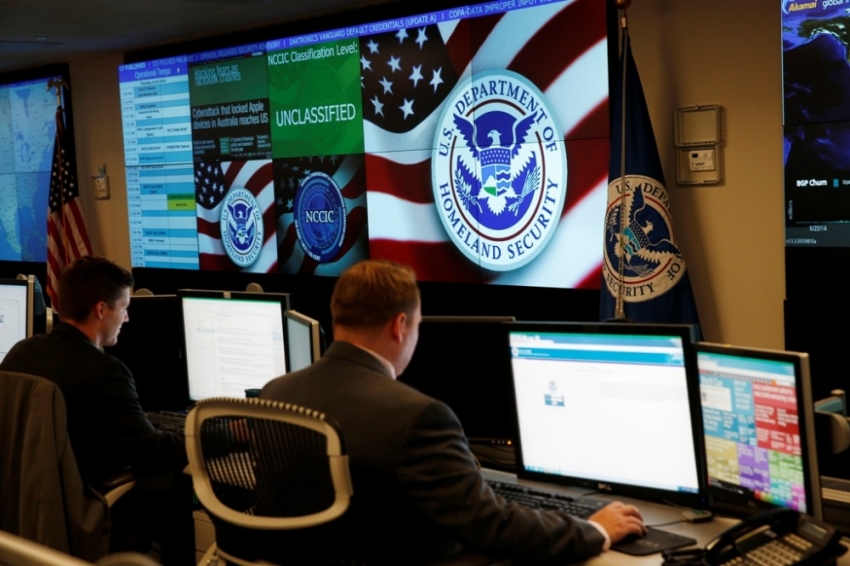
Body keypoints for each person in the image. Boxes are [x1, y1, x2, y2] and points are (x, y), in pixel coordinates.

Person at [261, 259, 647, 565]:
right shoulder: (418, 416)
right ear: (400, 326)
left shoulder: (275, 393)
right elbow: (492, 526)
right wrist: (594, 529)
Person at [0, 256, 192, 564]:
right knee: (175, 482)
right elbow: (153, 452)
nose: (127, 319)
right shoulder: (104, 372)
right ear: (101, 310)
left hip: (19, 510)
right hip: (79, 506)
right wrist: (216, 435)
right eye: (125, 308)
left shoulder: (23, 351)